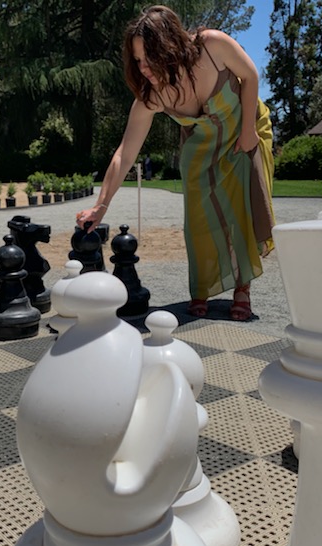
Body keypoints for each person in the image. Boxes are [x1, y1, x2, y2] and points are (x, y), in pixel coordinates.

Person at [76, 5, 275, 321]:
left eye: (149, 57)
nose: (143, 68)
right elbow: (125, 153)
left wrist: (249, 130)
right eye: (138, 59)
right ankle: (201, 288)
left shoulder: (212, 46)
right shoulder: (151, 97)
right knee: (198, 220)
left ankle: (242, 289)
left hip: (244, 133)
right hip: (202, 146)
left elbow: (250, 75)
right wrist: (101, 206)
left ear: (170, 47)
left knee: (240, 212)